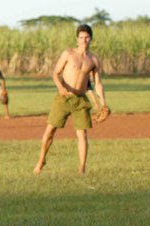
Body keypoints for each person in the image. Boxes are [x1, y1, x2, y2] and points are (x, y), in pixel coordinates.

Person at [34, 24, 107, 175]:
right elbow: (55, 73)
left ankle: (82, 169)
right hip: (63, 97)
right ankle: (41, 160)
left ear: (91, 39)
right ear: (77, 39)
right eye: (81, 37)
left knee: (82, 134)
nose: (84, 40)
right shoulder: (68, 53)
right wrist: (60, 87)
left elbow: (97, 83)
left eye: (86, 37)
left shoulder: (93, 60)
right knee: (50, 130)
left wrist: (103, 103)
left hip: (80, 100)